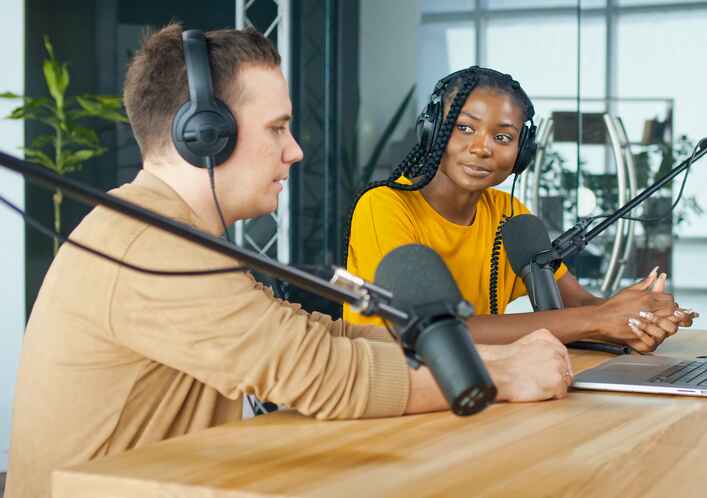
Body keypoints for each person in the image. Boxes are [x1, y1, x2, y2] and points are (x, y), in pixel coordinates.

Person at [6, 27, 573, 498]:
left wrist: (490, 351)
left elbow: (314, 336)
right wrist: (499, 374)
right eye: (277, 127)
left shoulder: (174, 233)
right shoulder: (145, 247)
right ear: (205, 135)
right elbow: (322, 374)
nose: (296, 150)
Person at [344, 66, 698, 352]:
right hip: (388, 386)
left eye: (502, 137)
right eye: (464, 128)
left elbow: (574, 304)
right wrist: (604, 318)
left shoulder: (508, 213)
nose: (482, 148)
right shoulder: (384, 206)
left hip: (480, 386)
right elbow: (438, 330)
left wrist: (636, 315)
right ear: (432, 130)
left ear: (521, 152)